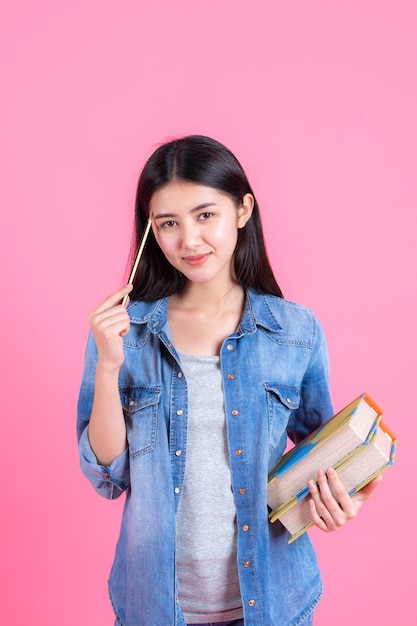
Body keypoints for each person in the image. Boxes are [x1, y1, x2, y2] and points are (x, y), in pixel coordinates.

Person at [77, 135, 380, 626]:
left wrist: (350, 498)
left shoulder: (294, 332)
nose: (189, 241)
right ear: (151, 231)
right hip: (155, 604)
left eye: (205, 215)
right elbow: (108, 475)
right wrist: (109, 364)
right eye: (168, 223)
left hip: (274, 600)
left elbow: (329, 452)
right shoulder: (123, 333)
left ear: (242, 210)